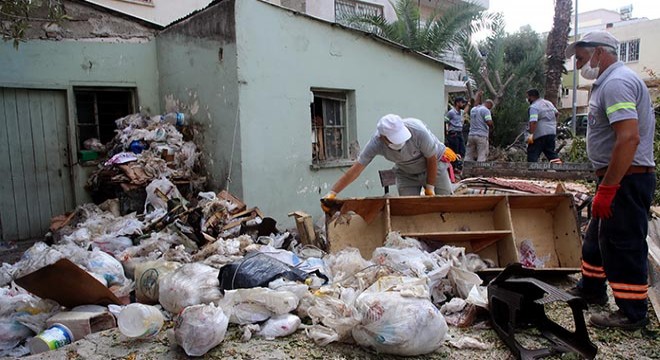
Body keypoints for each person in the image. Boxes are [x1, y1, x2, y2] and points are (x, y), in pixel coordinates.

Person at [565, 30, 656, 330]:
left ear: (599, 53)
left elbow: (628, 138)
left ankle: (632, 312)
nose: (578, 66)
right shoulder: (608, 83)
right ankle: (591, 289)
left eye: (580, 58)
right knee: (597, 238)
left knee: (623, 244)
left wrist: (609, 188)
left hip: (626, 180)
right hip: (617, 179)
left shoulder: (616, 83)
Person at [321, 114, 456, 206]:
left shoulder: (417, 131)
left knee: (446, 203)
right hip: (406, 173)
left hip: (433, 167)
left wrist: (430, 188)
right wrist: (332, 193)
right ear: (382, 137)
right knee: (409, 208)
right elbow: (356, 169)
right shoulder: (376, 143)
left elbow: (431, 159)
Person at [525, 89, 562, 164]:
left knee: (532, 153)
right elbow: (557, 113)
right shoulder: (548, 103)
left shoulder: (534, 107)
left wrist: (531, 135)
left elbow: (533, 121)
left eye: (528, 97)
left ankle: (533, 173)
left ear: (532, 97)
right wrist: (552, 123)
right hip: (551, 132)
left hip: (539, 134)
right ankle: (561, 170)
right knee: (550, 153)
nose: (527, 99)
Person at [444, 97, 468, 174]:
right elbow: (445, 121)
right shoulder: (451, 112)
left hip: (460, 133)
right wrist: (446, 133)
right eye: (462, 102)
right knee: (455, 151)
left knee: (462, 151)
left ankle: (457, 166)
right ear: (457, 103)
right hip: (453, 134)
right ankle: (453, 169)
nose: (463, 104)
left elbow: (465, 111)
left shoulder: (461, 112)